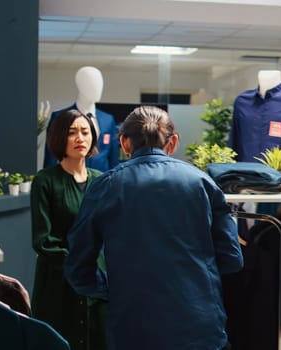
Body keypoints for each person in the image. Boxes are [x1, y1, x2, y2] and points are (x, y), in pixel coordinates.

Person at [63, 105, 244, 350]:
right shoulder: (203, 182)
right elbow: (232, 258)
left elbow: (77, 268)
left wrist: (112, 288)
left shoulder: (104, 186)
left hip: (132, 327)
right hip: (199, 326)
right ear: (173, 142)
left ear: (124, 143)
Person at [30, 109, 107, 350]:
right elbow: (43, 240)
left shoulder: (101, 180)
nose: (80, 139)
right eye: (72, 133)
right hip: (57, 279)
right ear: (59, 137)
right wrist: (78, 264)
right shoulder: (45, 180)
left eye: (85, 132)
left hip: (96, 278)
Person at [44, 66, 119, 172]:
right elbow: (50, 157)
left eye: (99, 83)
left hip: (102, 181)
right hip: (69, 179)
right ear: (80, 85)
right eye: (91, 83)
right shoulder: (60, 117)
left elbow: (113, 158)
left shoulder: (108, 120)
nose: (97, 88)